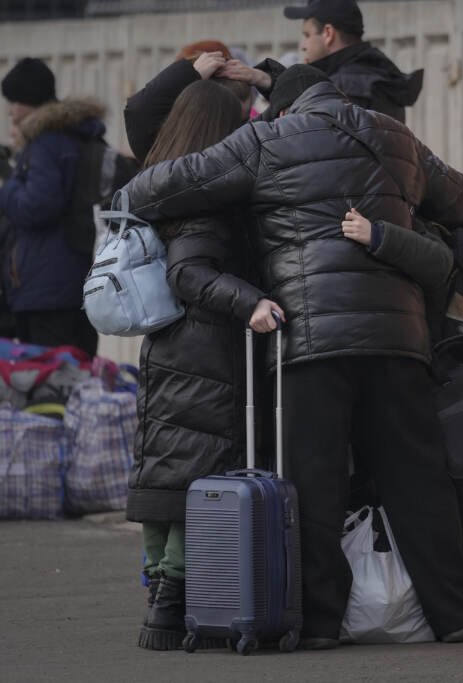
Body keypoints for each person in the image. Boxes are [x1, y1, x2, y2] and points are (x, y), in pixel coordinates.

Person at [121, 64, 463, 648]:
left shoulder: (268, 139)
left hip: (310, 340)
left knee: (313, 482)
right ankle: (455, 615)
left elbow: (164, 185)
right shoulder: (396, 136)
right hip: (400, 336)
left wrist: (136, 195)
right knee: (418, 477)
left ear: (284, 109)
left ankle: (317, 624)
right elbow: (462, 201)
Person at [126, 79, 282, 651]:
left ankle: (159, 603)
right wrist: (251, 301)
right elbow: (189, 273)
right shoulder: (209, 195)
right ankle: (171, 607)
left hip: (168, 347)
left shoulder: (158, 178)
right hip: (211, 352)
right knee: (200, 478)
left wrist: (186, 68)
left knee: (168, 473)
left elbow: (139, 111)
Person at [342, 208, 463, 637]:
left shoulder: (406, 226)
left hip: (419, 364)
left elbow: (431, 271)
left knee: (440, 484)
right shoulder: (433, 217)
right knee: (454, 483)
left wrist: (379, 236)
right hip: (433, 362)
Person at [0, 57, 102, 355]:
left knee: (49, 382)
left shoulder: (46, 141)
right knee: (75, 374)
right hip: (70, 281)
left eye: (15, 101)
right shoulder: (75, 134)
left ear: (30, 101)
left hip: (47, 289)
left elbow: (36, 207)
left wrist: (8, 188)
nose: (11, 110)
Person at [281, 0, 423, 122]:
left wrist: (301, 97)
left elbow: (306, 147)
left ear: (328, 33)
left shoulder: (340, 87)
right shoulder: (378, 73)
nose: (303, 46)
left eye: (307, 35)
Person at [124, 40, 254, 162]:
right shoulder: (170, 155)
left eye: (243, 121)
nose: (237, 130)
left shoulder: (167, 159)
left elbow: (138, 111)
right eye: (228, 120)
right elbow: (138, 111)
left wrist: (189, 74)